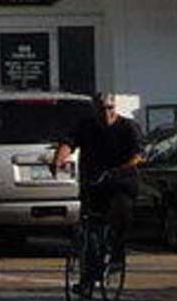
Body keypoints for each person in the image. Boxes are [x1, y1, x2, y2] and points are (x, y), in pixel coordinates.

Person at [51, 94, 144, 267]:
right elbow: (69, 143)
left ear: (115, 107)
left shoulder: (128, 127)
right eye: (101, 109)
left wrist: (119, 170)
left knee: (121, 212)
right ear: (94, 109)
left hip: (120, 184)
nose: (106, 113)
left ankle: (116, 252)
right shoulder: (85, 126)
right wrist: (59, 159)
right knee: (90, 226)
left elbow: (137, 155)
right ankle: (89, 272)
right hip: (93, 182)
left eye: (110, 108)